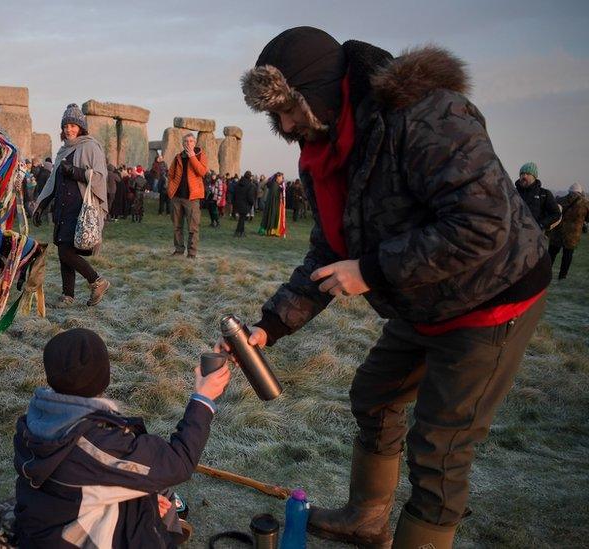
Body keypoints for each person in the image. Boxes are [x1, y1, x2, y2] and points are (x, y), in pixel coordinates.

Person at [234, 27, 551, 548]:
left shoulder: (425, 115)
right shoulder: (322, 153)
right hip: (423, 300)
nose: (285, 125)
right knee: (375, 396)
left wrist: (373, 271)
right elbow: (327, 252)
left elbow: (483, 223)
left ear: (320, 90)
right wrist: (270, 327)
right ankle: (367, 517)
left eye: (289, 108)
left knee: (440, 448)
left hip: (492, 299)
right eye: (276, 115)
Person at [13, 328, 232, 547]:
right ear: (103, 376)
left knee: (155, 492)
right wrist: (203, 399)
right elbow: (177, 461)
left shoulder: (39, 418)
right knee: (157, 493)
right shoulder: (95, 442)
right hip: (72, 539)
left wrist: (141, 495)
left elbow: (80, 478)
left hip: (48, 524)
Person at [33, 103, 111, 308]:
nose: (69, 129)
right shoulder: (62, 151)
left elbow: (101, 177)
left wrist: (76, 172)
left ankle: (97, 281)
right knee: (64, 250)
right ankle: (68, 296)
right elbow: (53, 181)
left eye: (73, 125)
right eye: (66, 125)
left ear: (81, 127)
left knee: (66, 252)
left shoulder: (91, 146)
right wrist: (41, 204)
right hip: (62, 208)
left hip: (79, 207)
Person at [167, 133, 208, 258]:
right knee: (177, 226)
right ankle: (179, 250)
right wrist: (170, 189)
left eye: (190, 141)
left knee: (193, 227)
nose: (188, 143)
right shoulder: (178, 157)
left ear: (194, 143)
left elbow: (202, 172)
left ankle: (191, 253)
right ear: (183, 143)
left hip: (192, 197)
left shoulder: (201, 155)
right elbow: (170, 174)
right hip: (177, 197)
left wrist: (192, 157)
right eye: (185, 141)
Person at [548, 183, 589, 280]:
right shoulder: (585, 203)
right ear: (580, 191)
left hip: (557, 232)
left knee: (551, 254)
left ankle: (545, 274)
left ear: (569, 191)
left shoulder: (559, 200)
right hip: (572, 235)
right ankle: (562, 276)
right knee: (567, 256)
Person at [514, 162, 561, 233]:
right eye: (522, 174)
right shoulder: (512, 192)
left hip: (534, 236)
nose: (524, 176)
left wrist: (541, 224)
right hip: (513, 234)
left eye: (528, 174)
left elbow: (556, 214)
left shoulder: (544, 194)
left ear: (534, 177)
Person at [232, 171, 255, 237]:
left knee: (241, 218)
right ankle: (238, 232)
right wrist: (252, 202)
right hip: (245, 203)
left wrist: (234, 201)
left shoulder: (239, 183)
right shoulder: (249, 185)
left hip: (238, 203)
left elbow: (235, 193)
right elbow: (250, 196)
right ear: (250, 177)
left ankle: (241, 231)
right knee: (242, 219)